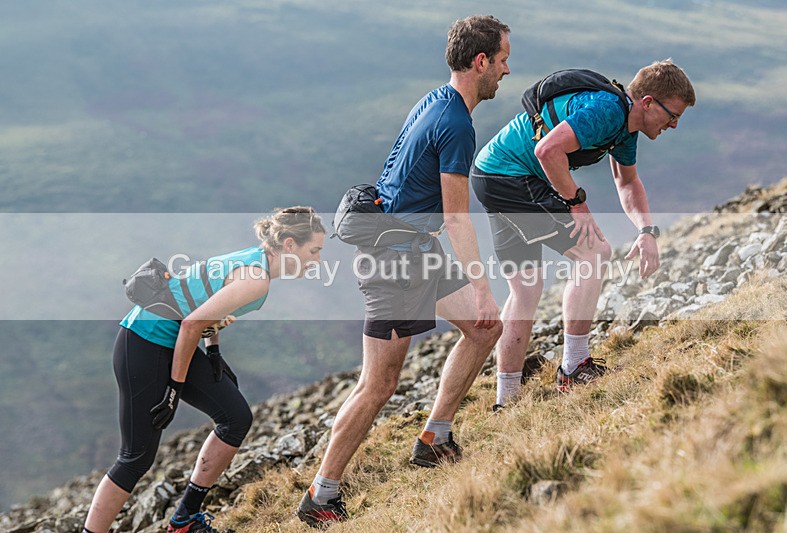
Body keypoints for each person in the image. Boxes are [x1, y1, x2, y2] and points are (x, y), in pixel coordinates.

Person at [296, 15, 510, 527]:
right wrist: (482, 287)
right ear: (480, 61)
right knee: (379, 384)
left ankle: (435, 439)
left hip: (415, 250)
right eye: (503, 60)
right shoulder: (456, 124)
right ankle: (321, 495)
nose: (507, 70)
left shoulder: (436, 100)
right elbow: (457, 218)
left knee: (487, 329)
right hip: (394, 262)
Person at [82, 207, 326, 533]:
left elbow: (203, 302)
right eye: (314, 251)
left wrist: (213, 352)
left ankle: (184, 520)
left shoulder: (254, 261)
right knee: (135, 457)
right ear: (290, 244)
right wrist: (174, 388)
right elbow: (191, 323)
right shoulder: (256, 279)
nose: (317, 260)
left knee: (236, 417)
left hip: (170, 341)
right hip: (143, 342)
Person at [469, 60, 696, 408]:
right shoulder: (609, 111)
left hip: (490, 173)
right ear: (648, 102)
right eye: (673, 115)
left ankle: (507, 400)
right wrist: (576, 202)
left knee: (526, 289)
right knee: (594, 253)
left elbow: (627, 182)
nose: (675, 125)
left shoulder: (625, 129)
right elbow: (547, 150)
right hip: (510, 177)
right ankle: (574, 367)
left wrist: (646, 231)